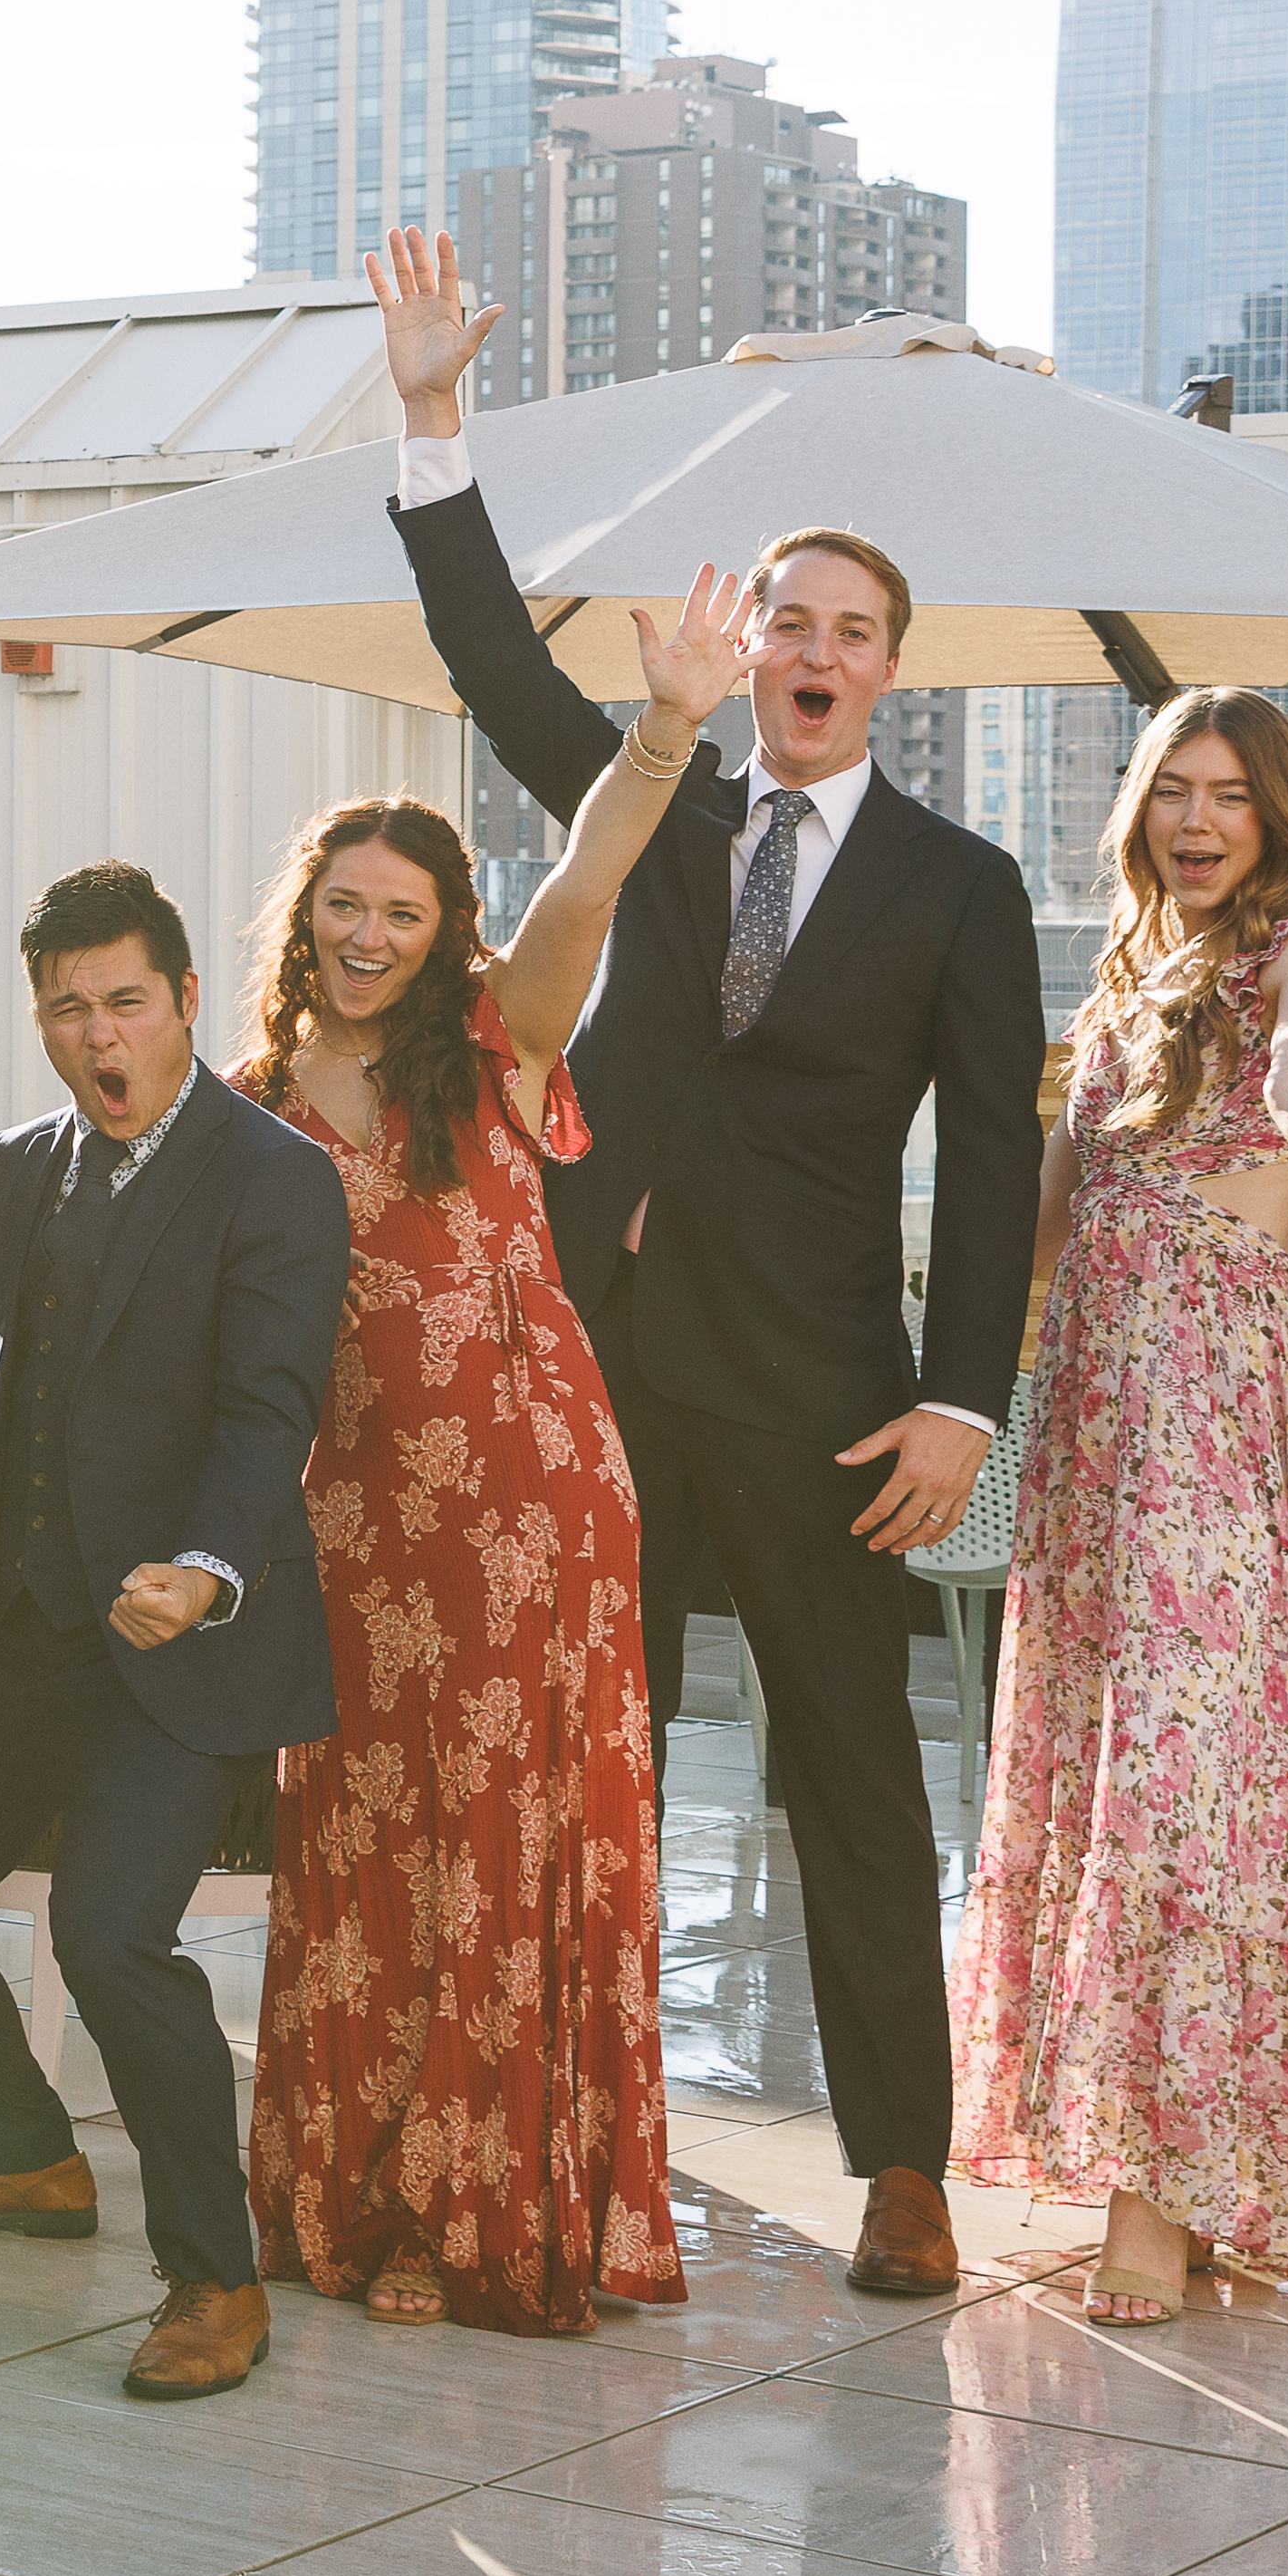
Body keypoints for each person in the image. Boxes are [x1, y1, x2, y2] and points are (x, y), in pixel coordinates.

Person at [370, 224, 1042, 2303]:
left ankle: (901, 2168)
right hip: (588, 1368)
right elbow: (490, 662)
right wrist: (430, 426)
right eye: (788, 619)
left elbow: (1000, 1158)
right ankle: (584, 2137)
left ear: (889, 671)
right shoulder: (650, 793)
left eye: (852, 628)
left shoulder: (958, 887)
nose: (813, 649)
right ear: (741, 645)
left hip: (826, 1392)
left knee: (850, 1781)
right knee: (596, 1769)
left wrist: (957, 1399)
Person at [208, 577, 761, 2336]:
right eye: (345, 905)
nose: (369, 933)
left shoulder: (497, 1044)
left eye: (403, 908)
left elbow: (589, 874)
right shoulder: (248, 1100)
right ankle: (361, 2188)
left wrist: (665, 725)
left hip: (529, 1495)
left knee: (502, 1839)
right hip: (353, 1520)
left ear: (448, 926)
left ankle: (481, 2212)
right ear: (306, 918)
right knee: (370, 1839)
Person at [0, 869, 352, 2402]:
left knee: (114, 1938)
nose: (97, 1034)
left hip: (179, 1646)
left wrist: (200, 1562)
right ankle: (19, 2155)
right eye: (66, 1006)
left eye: (125, 1000)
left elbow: (269, 1414)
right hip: (23, 1633)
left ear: (184, 997)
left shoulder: (274, 1178)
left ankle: (212, 2277)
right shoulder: (13, 1166)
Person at [963, 690, 1288, 2324]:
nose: (1194, 821)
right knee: (1105, 1774)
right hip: (1093, 1435)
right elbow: (1041, 1228)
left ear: (1276, 817)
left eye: (1228, 796)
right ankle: (1146, 2156)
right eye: (1169, 791)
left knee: (1189, 1790)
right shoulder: (1116, 987)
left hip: (1207, 1422)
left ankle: (1159, 2201)